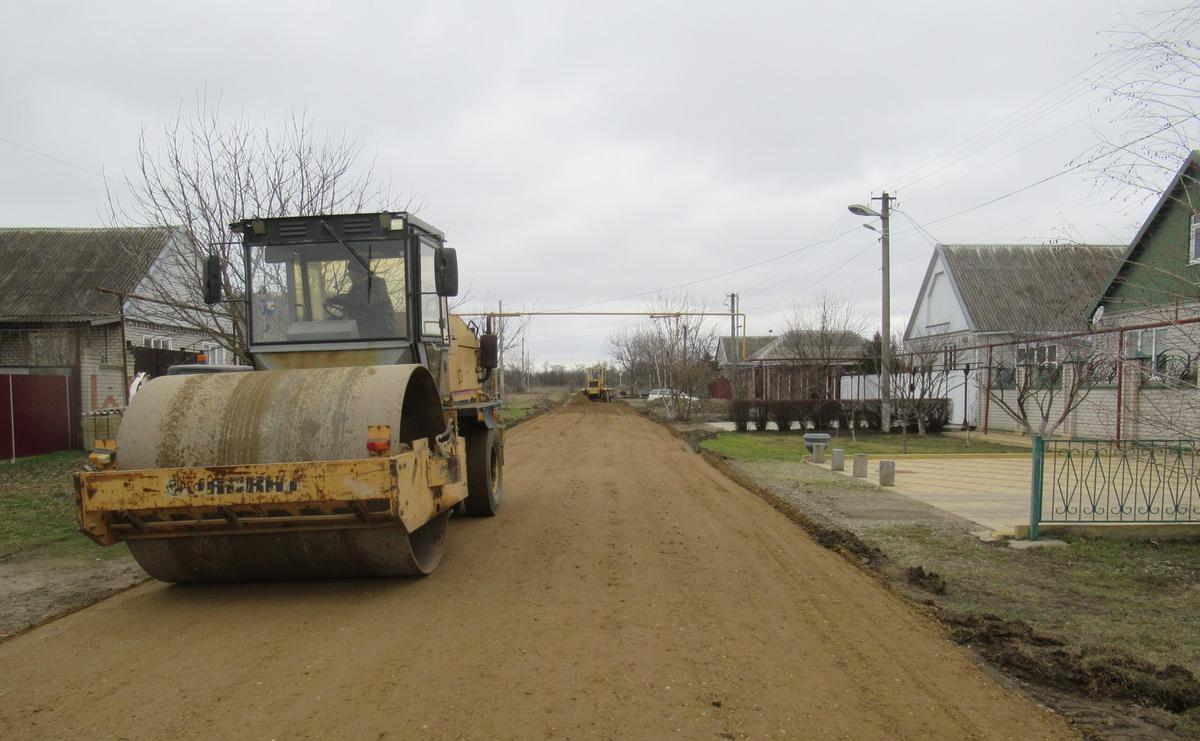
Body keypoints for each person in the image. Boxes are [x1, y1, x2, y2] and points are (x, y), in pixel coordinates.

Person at [323, 259, 395, 337]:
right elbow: (350, 307)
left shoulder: (376, 285)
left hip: (380, 335)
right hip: (361, 334)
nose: (348, 275)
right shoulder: (357, 288)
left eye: (350, 272)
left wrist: (335, 299)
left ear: (359, 273)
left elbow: (362, 301)